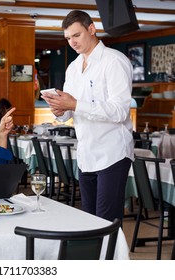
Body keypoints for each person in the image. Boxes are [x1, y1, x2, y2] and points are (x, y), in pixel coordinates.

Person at [41, 10, 134, 222]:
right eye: (67, 38)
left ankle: (111, 256)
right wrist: (60, 110)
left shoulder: (114, 61)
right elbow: (70, 113)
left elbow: (119, 111)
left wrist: (74, 104)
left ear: (91, 29)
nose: (72, 42)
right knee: (89, 222)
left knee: (106, 222)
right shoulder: (73, 68)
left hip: (113, 154)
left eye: (76, 35)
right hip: (86, 155)